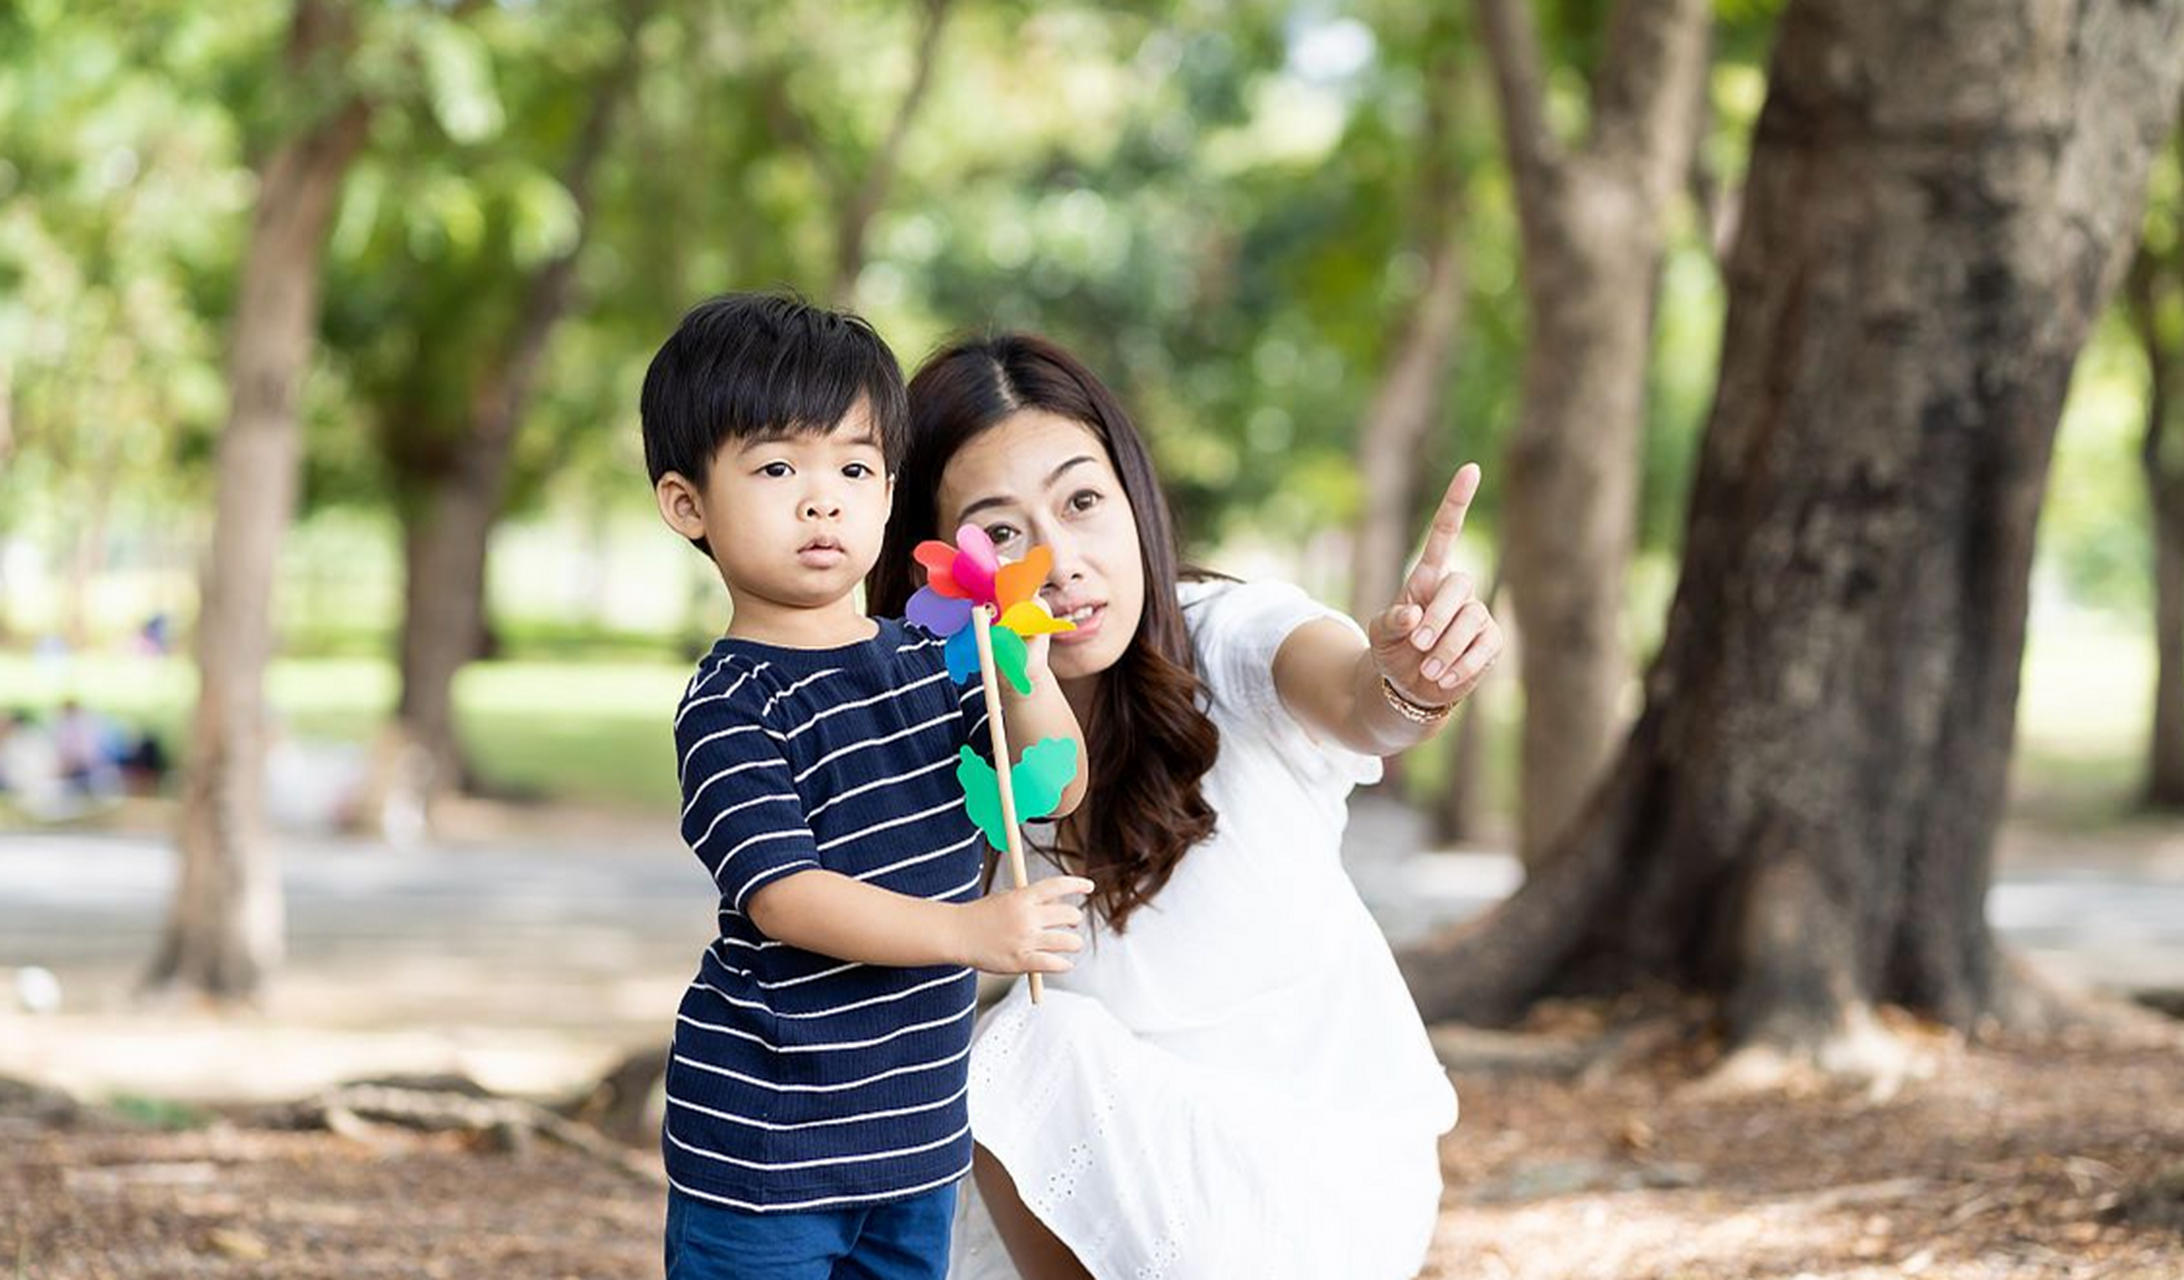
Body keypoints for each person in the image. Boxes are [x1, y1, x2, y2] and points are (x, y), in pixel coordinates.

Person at [868, 334, 1502, 1280]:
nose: (1059, 562)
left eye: (1082, 502)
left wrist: (1409, 682)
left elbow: (1359, 701)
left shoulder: (1229, 640)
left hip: (1324, 1184)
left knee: (1025, 1051)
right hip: (1123, 1171)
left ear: (1134, 502)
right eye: (1000, 534)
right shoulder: (968, 733)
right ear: (935, 574)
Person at [640, 293, 1095, 1280]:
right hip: (767, 1144)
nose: (823, 499)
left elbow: (1046, 791)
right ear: (688, 504)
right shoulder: (730, 703)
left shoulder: (933, 657)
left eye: (853, 467)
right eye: (775, 467)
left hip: (914, 1137)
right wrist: (972, 934)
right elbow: (786, 896)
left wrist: (1024, 662)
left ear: (890, 494)